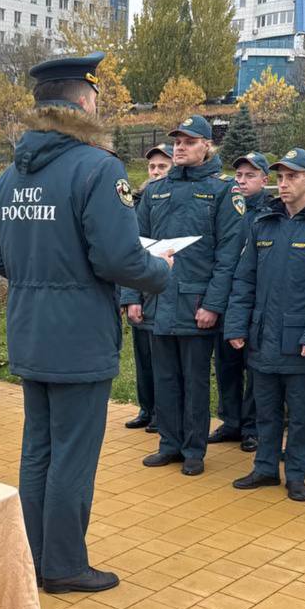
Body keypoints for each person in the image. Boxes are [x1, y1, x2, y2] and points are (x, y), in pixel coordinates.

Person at [0, 52, 173, 594]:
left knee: (37, 449)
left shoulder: (9, 176)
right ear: (84, 102)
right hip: (79, 336)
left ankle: (35, 556)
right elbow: (117, 258)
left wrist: (40, 271)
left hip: (29, 330)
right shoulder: (99, 168)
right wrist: (158, 270)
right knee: (72, 456)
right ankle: (65, 565)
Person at [225, 149, 305, 502]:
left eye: (292, 177)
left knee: (299, 414)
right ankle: (265, 467)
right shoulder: (263, 224)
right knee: (264, 409)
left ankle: (295, 474)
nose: (283, 184)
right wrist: (236, 326)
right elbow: (244, 280)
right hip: (263, 337)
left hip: (301, 341)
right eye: (279, 178)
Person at [136, 115, 245, 476]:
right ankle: (169, 443)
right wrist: (132, 297)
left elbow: (229, 255)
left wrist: (214, 304)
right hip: (158, 301)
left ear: (206, 146)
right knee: (164, 378)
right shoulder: (154, 191)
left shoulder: (222, 191)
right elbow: (135, 248)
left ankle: (194, 450)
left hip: (197, 305)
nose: (179, 148)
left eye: (188, 142)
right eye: (177, 142)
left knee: (195, 381)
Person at [210, 150, 272, 452]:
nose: (243, 181)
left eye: (250, 175)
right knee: (226, 365)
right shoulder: (227, 208)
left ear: (264, 179)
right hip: (226, 298)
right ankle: (231, 420)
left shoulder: (270, 213)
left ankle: (252, 426)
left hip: (254, 300)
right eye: (239, 175)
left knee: (254, 368)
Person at [121, 144, 175, 433]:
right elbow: (129, 254)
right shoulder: (137, 200)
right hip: (141, 291)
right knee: (142, 358)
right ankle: (147, 408)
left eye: (162, 167)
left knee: (161, 361)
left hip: (165, 291)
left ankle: (160, 415)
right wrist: (130, 297)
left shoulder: (174, 200)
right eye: (152, 167)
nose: (155, 172)